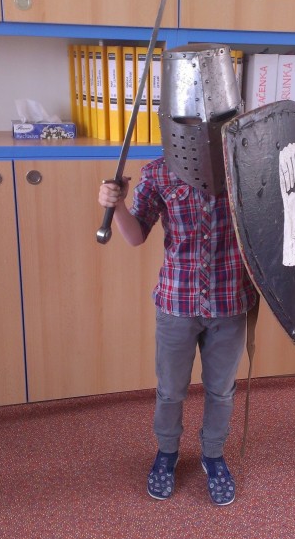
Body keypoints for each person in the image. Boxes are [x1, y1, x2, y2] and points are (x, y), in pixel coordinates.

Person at [98, 45, 257, 507]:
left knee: (221, 390)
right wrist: (116, 206)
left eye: (214, 119)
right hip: (177, 304)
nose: (201, 129)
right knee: (170, 391)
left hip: (230, 303)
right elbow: (135, 237)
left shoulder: (247, 166)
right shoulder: (157, 174)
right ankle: (167, 453)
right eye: (189, 121)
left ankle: (213, 455)